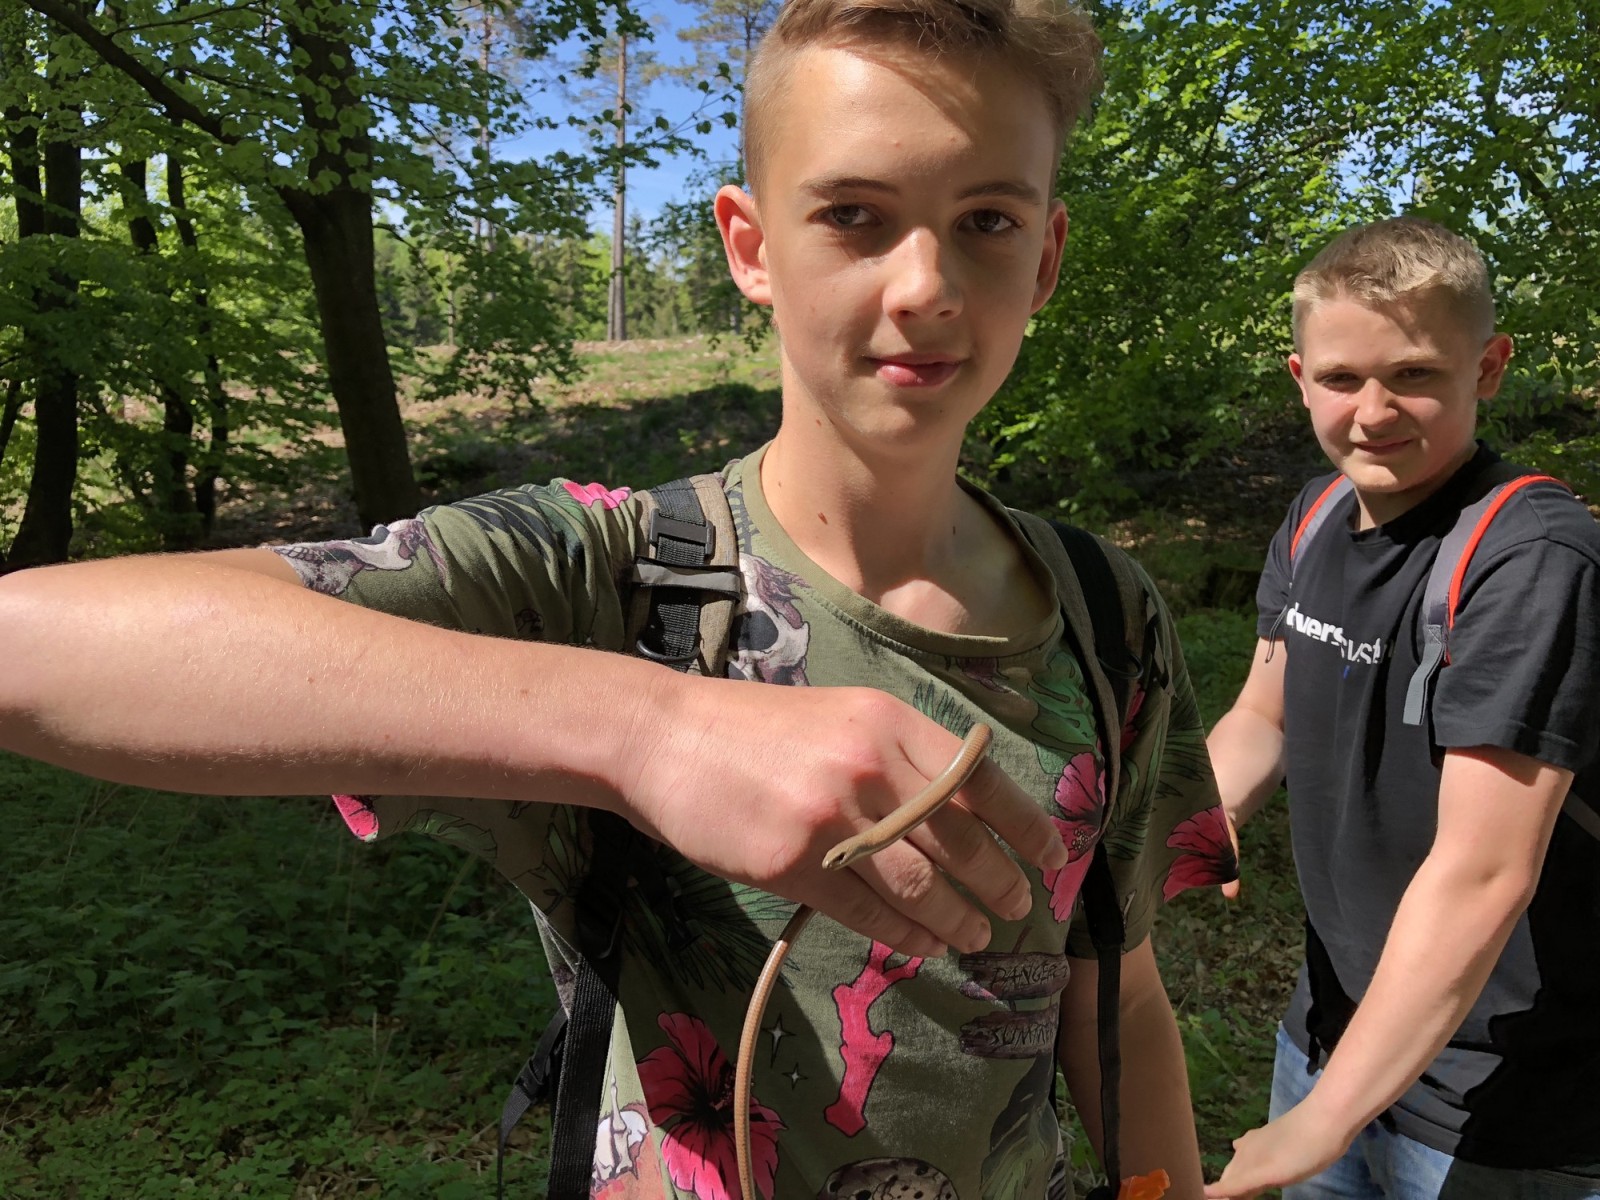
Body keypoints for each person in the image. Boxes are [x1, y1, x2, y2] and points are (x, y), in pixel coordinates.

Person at [0, 1, 1238, 1195]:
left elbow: (1118, 993)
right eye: (854, 215)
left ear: (1046, 257)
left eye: (986, 220)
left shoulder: (1105, 612)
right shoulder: (616, 572)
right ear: (750, 246)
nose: (925, 285)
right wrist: (647, 728)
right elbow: (31, 647)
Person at [1204, 216, 1600, 1200]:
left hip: (1499, 1103)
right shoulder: (1315, 516)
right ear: (1300, 377)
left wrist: (1321, 1122)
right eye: (1341, 378)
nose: (1372, 412)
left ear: (1489, 367)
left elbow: (1483, 873)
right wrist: (1198, 821)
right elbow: (1262, 716)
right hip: (1331, 1033)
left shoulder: (1529, 559)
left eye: (1413, 375)